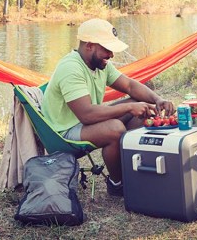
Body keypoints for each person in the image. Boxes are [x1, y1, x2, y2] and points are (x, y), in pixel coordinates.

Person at [41, 18, 175, 197]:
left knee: (141, 106)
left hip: (82, 123)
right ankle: (117, 184)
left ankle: (134, 173)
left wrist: (157, 99)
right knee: (115, 129)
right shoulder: (71, 68)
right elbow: (87, 115)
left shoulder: (100, 64)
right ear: (89, 45)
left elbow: (129, 86)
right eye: (107, 49)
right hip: (64, 132)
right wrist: (128, 109)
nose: (111, 55)